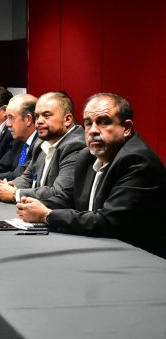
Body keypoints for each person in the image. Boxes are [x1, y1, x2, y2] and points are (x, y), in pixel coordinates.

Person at [16, 94, 166, 259]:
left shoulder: (136, 161)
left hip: (137, 257)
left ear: (126, 128)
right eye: (88, 123)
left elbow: (107, 222)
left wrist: (47, 215)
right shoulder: (87, 156)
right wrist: (33, 206)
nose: (93, 130)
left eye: (104, 122)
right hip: (98, 247)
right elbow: (69, 198)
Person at [0, 91, 85, 203]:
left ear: (67, 120)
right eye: (37, 116)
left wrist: (15, 194)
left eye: (46, 115)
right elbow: (27, 177)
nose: (39, 121)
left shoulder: (75, 145)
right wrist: (8, 187)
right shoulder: (42, 142)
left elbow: (59, 193)